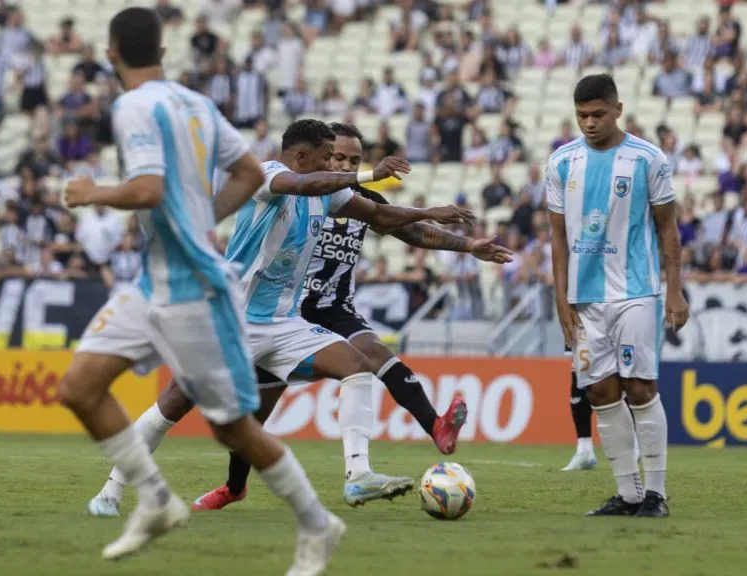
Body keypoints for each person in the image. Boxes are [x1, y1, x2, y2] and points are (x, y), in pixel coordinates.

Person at [59, 9, 344, 572]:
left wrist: (94, 192)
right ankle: (157, 500)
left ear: (112, 52)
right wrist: (202, 217)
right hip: (156, 279)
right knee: (79, 388)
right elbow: (244, 172)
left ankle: (318, 523)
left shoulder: (133, 106)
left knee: (230, 426)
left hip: (192, 288)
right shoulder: (195, 103)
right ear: (161, 51)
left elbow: (146, 188)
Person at [85, 119, 477, 516]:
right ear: (302, 156)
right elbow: (305, 185)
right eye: (327, 157)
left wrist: (428, 212)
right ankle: (110, 490)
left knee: (357, 368)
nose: (334, 166)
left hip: (283, 322)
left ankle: (358, 476)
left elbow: (379, 215)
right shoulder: (267, 175)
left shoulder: (329, 194)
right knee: (172, 405)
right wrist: (371, 173)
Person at [187, 122, 513, 510]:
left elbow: (409, 231)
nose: (344, 164)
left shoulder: (355, 200)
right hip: (284, 309)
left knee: (373, 356)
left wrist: (469, 245)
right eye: (338, 157)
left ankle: (430, 430)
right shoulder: (300, 189)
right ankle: (234, 487)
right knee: (257, 414)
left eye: (354, 160)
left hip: (333, 307)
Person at [547, 74, 687, 518]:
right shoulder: (561, 162)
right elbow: (556, 238)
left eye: (598, 114)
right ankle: (627, 494)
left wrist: (676, 290)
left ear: (618, 109)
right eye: (582, 115)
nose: (589, 123)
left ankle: (656, 494)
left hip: (636, 291)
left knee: (640, 387)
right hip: (585, 299)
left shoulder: (648, 159)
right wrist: (561, 297)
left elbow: (668, 227)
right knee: (601, 393)